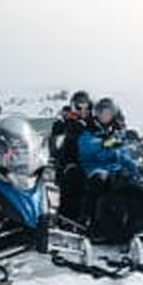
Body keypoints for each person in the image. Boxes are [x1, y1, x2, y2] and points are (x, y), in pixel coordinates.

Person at [77, 97, 138, 233]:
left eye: (107, 112)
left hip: (115, 168)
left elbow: (125, 151)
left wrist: (135, 167)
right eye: (101, 112)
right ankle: (89, 220)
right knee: (99, 181)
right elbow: (87, 149)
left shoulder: (117, 131)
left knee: (133, 182)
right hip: (95, 167)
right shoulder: (90, 129)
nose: (103, 115)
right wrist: (104, 144)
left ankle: (131, 220)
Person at [50, 91, 93, 220]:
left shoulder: (93, 122)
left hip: (92, 162)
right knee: (73, 183)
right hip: (69, 163)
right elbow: (57, 143)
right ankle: (67, 220)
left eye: (86, 106)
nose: (82, 110)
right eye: (79, 107)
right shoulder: (64, 123)